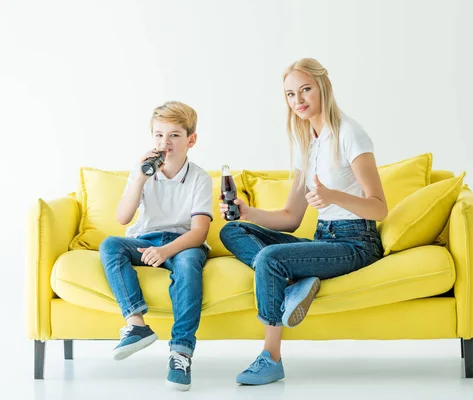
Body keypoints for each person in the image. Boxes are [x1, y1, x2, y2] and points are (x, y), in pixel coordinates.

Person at [219, 58, 388, 385]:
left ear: (324, 87)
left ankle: (271, 357)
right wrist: (247, 213)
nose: (298, 101)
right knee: (233, 230)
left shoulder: (350, 133)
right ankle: (290, 282)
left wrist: (333, 196)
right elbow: (291, 218)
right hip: (323, 239)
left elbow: (379, 208)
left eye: (305, 90)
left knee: (269, 259)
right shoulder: (306, 143)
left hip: (356, 243)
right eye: (291, 94)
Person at [99, 101, 213, 391]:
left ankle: (181, 351)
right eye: (159, 135)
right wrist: (140, 176)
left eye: (174, 135)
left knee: (188, 265)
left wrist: (166, 251)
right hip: (146, 239)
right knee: (110, 245)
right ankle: (136, 324)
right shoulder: (143, 173)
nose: (165, 142)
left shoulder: (199, 178)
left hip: (184, 243)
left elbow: (199, 233)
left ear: (191, 140)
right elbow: (123, 217)